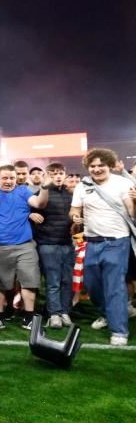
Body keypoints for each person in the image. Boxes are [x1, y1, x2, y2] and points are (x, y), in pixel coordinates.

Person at [69, 148, 136, 345]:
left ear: (110, 165)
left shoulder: (123, 183)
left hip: (117, 242)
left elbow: (133, 214)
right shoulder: (83, 185)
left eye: (101, 165)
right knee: (91, 285)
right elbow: (74, 208)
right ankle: (108, 314)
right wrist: (74, 216)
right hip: (91, 241)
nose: (97, 169)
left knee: (114, 285)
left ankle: (119, 331)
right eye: (93, 166)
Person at [0, 164, 50, 330]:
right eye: (5, 178)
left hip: (25, 245)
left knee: (29, 282)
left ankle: (28, 318)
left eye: (12, 178)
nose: (9, 181)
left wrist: (45, 187)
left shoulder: (23, 191)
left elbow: (40, 204)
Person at [32, 162, 75, 329]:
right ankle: (54, 314)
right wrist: (31, 215)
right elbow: (28, 212)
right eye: (53, 173)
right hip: (48, 244)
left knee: (67, 281)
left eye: (60, 173)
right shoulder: (40, 193)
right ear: (46, 176)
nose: (57, 176)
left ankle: (65, 312)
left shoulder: (72, 194)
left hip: (67, 244)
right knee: (53, 281)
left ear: (64, 175)